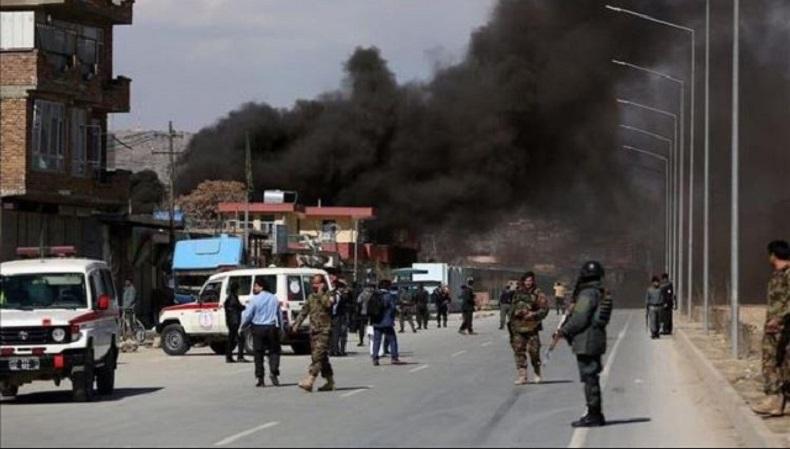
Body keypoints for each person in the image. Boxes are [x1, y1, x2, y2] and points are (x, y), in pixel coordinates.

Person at [557, 261, 612, 428]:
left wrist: (564, 330)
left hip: (587, 341)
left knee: (589, 378)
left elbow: (580, 318)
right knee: (591, 376)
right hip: (596, 339)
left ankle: (594, 414)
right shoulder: (600, 292)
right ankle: (594, 412)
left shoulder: (587, 294)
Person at [751, 240, 790, 418]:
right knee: (778, 363)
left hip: (782, 327)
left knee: (772, 362)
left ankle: (774, 399)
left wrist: (779, 317)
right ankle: (779, 401)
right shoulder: (779, 275)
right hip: (776, 329)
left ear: (773, 255)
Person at [292, 275, 336, 393]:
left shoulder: (329, 295)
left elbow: (328, 304)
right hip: (314, 331)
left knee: (318, 356)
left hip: (324, 331)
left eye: (316, 284)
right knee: (322, 358)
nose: (314, 286)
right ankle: (330, 382)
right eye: (313, 284)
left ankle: (310, 380)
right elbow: (304, 311)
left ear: (322, 284)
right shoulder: (311, 297)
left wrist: (321, 292)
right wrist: (297, 324)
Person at [239, 278, 282, 388]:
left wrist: (242, 326)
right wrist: (281, 328)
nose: (254, 288)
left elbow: (248, 315)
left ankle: (260, 378)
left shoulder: (255, 299)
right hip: (272, 327)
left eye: (256, 286)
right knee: (274, 351)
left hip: (258, 328)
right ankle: (274, 371)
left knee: (258, 353)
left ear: (261, 287)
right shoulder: (274, 298)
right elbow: (279, 315)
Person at [509, 272, 549, 385]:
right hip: (518, 326)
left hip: (532, 327)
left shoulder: (538, 293)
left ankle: (537, 372)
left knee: (534, 351)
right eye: (526, 280)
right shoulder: (518, 293)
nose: (528, 282)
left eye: (530, 280)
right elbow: (512, 307)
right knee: (518, 350)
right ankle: (522, 375)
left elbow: (544, 309)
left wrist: (533, 314)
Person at [370, 279, 406, 366]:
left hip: (376, 321)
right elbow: (393, 307)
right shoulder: (388, 296)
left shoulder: (374, 295)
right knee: (392, 339)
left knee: (376, 340)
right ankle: (394, 357)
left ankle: (375, 358)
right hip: (387, 321)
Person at [224, 282, 248, 363]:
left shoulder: (230, 297)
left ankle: (229, 356)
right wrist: (243, 307)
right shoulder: (232, 298)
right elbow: (236, 307)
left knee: (232, 339)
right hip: (234, 321)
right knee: (239, 339)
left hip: (232, 321)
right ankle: (239, 356)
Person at [330, 280, 351, 357]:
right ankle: (336, 350)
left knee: (335, 334)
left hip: (337, 317)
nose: (344, 289)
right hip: (339, 317)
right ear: (339, 288)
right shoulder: (337, 296)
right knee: (338, 334)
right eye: (343, 288)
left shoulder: (335, 294)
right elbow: (334, 307)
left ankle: (335, 350)